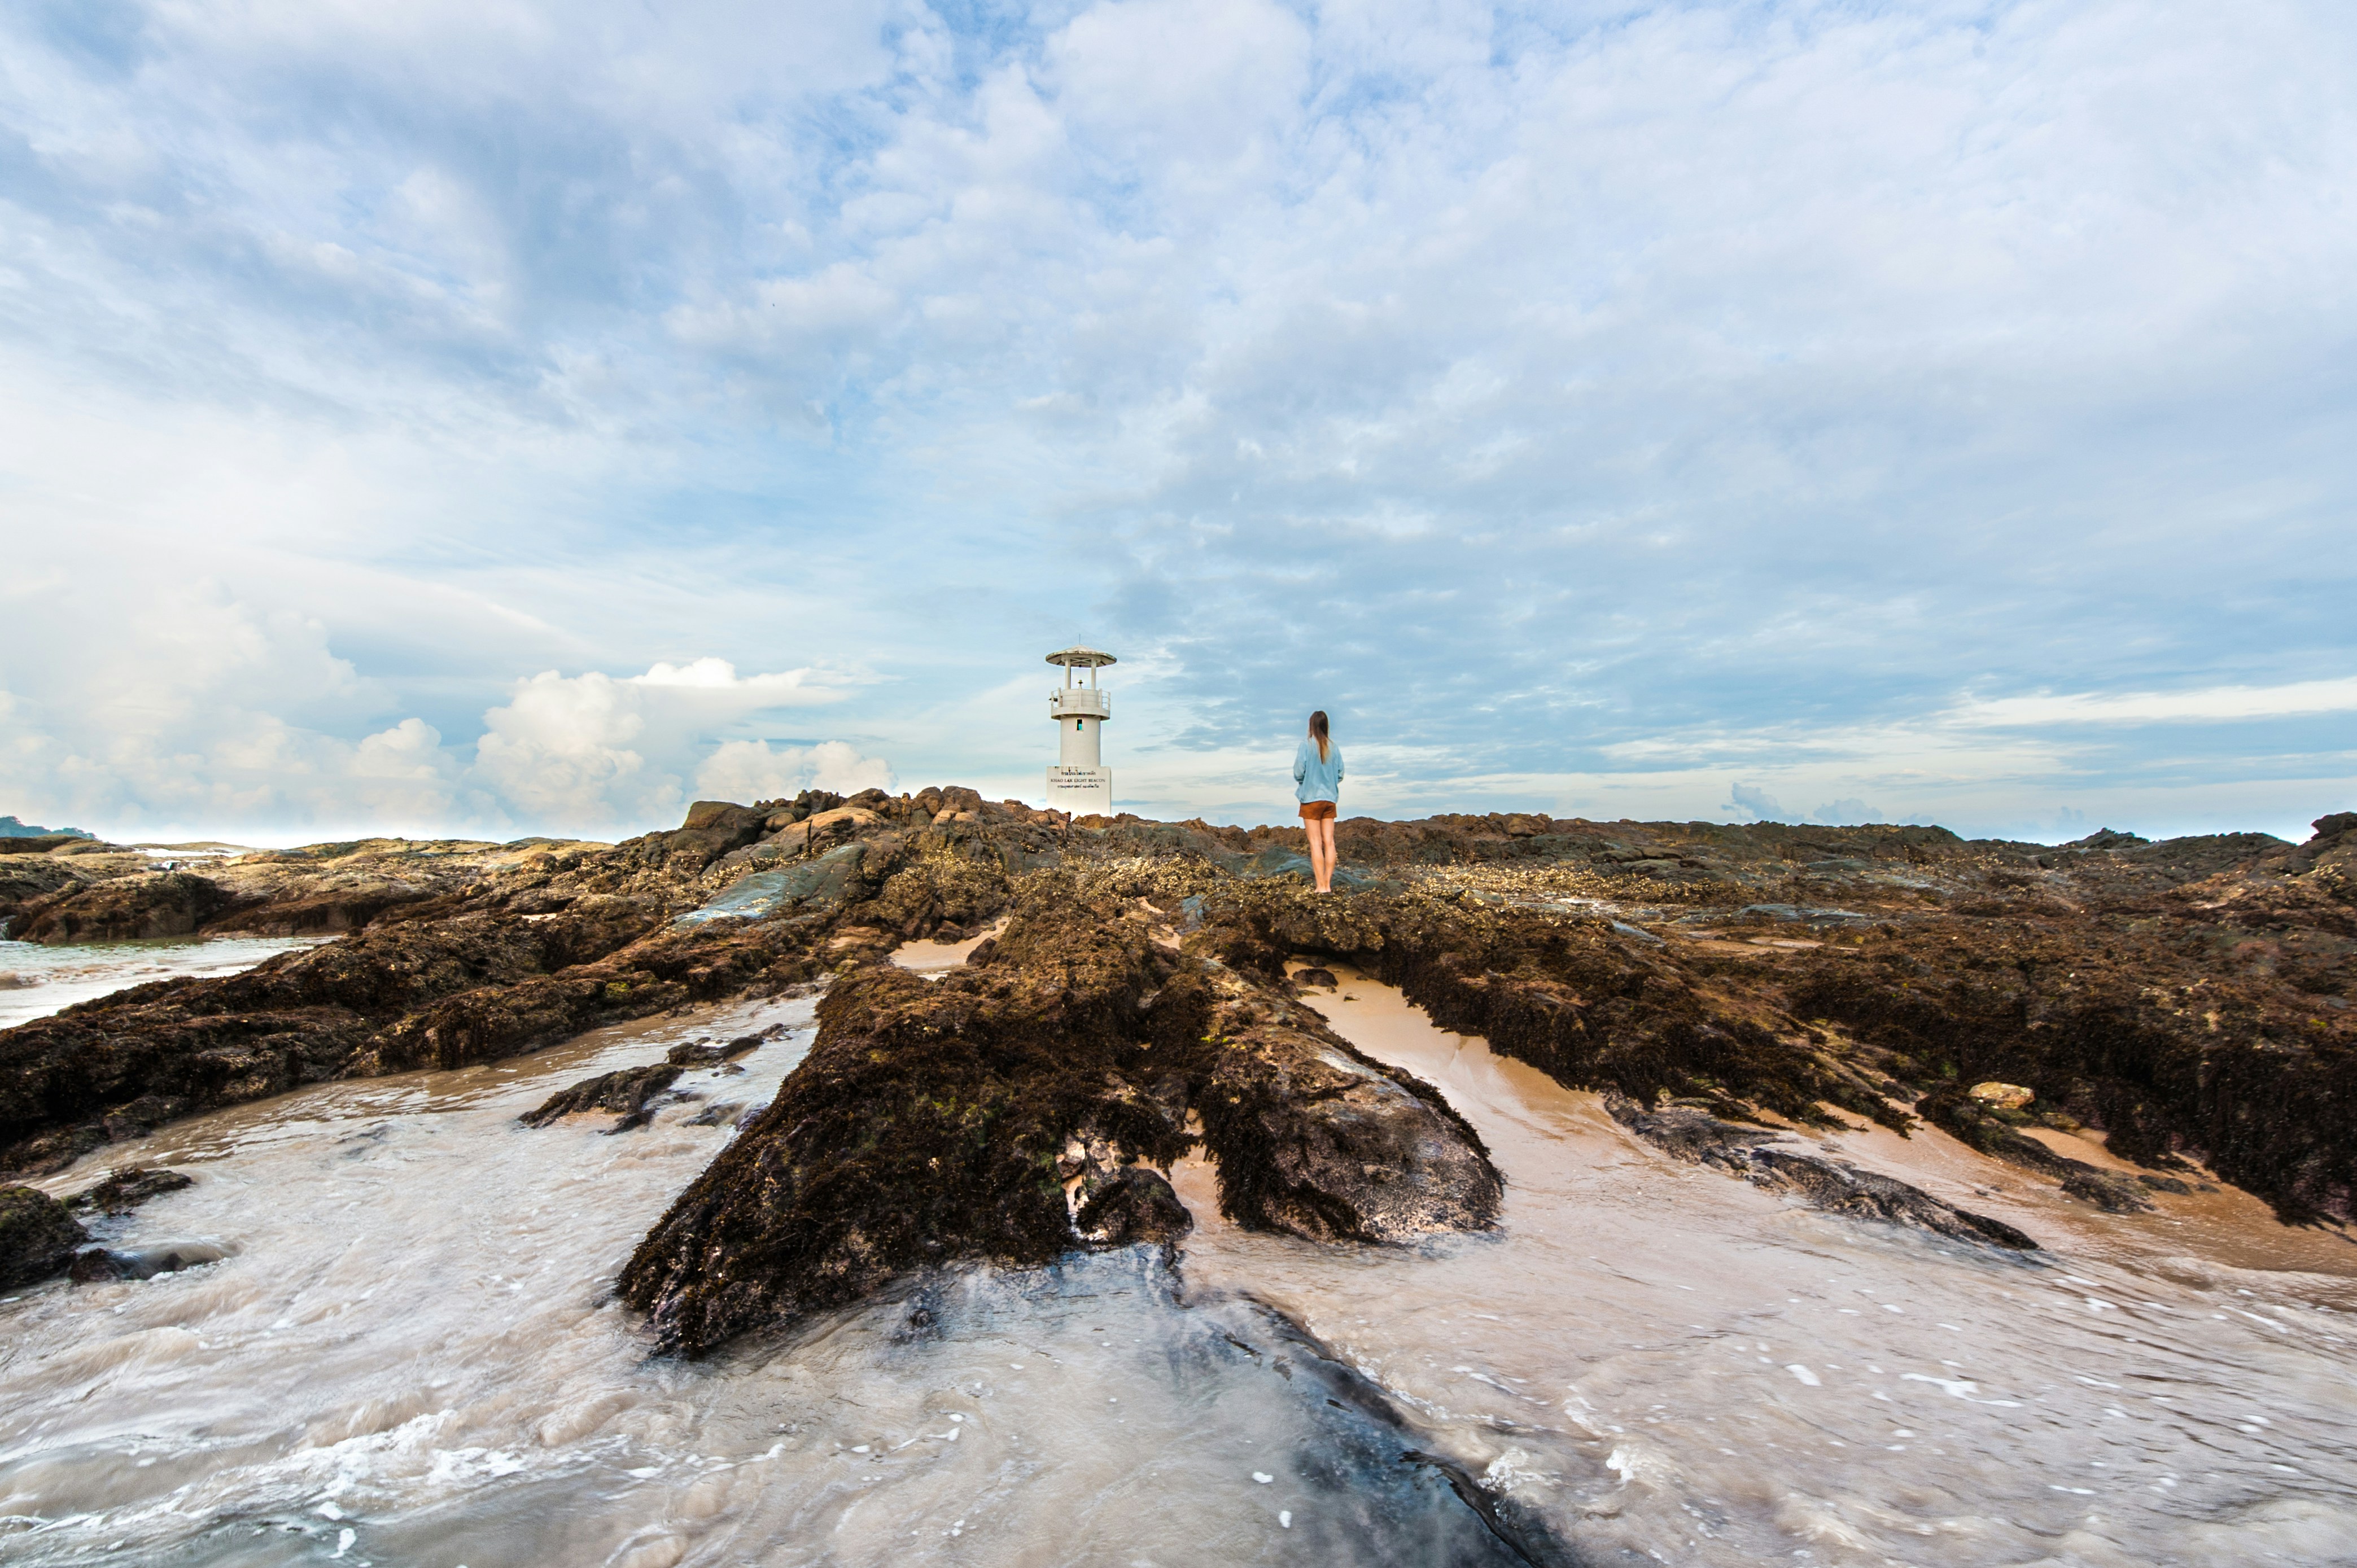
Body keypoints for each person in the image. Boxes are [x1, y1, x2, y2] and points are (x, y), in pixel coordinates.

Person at [1292, 709, 1344, 893]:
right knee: (1329, 842)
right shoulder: (1334, 747)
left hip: (1311, 800)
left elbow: (1299, 773)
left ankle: (1320, 886)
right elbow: (1340, 775)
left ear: (1312, 726)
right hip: (1330, 800)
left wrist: (1306, 780)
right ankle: (1328, 885)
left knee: (1315, 843)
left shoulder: (1306, 746)